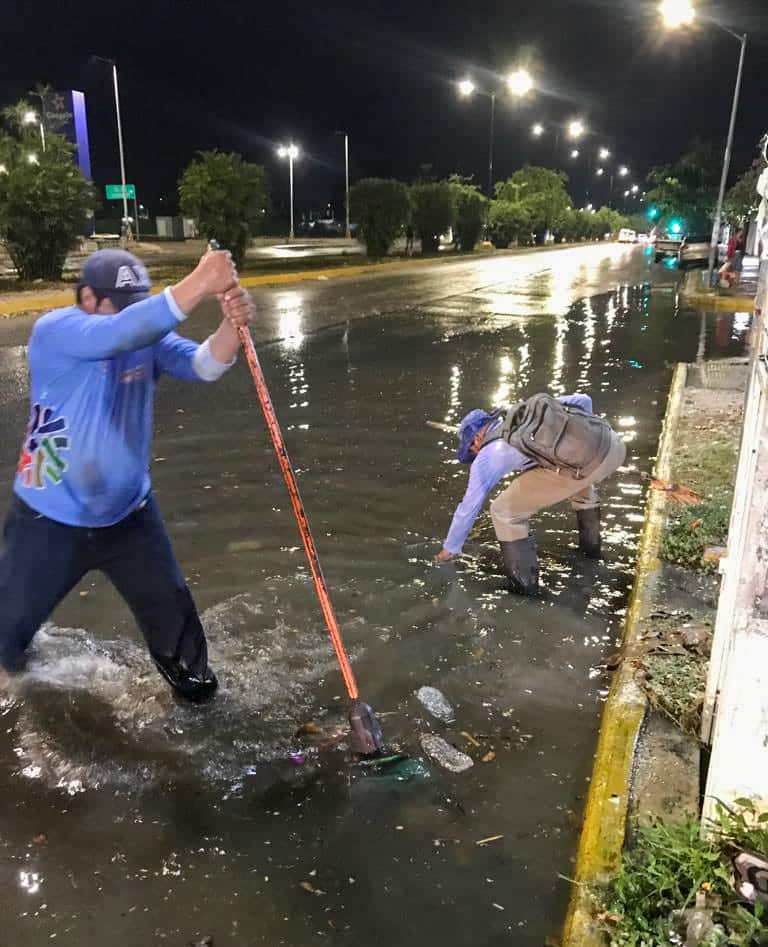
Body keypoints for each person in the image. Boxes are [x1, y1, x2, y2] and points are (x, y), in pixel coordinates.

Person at [0, 248, 254, 701]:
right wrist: (199, 281)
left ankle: (200, 704)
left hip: (131, 517)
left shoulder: (145, 339)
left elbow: (205, 365)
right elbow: (119, 332)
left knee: (180, 639)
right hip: (48, 521)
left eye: (140, 299)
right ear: (87, 298)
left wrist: (230, 328)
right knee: (7, 639)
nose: (134, 309)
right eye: (122, 300)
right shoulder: (55, 331)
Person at [436, 393, 626, 596]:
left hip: (585, 468)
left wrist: (449, 550)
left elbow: (469, 507)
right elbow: (584, 400)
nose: (474, 453)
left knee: (503, 511)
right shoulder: (526, 411)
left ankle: (525, 589)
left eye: (471, 449)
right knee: (572, 472)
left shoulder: (488, 455)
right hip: (613, 447)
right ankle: (592, 553)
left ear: (476, 439)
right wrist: (580, 440)